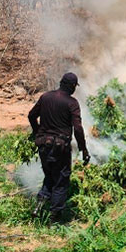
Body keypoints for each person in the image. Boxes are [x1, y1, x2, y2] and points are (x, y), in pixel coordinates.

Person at [28, 72, 90, 221]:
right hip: (60, 148)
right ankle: (55, 217)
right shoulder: (72, 103)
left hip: (43, 145)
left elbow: (31, 116)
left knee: (49, 176)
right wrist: (83, 149)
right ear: (72, 87)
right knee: (61, 180)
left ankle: (39, 205)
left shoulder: (45, 97)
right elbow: (78, 128)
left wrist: (38, 133)